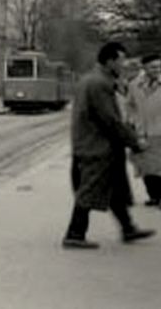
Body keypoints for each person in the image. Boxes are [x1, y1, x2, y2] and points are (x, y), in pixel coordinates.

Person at [62, 41, 154, 249]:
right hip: (97, 147)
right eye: (121, 61)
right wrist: (134, 142)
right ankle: (74, 234)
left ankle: (128, 228)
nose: (124, 66)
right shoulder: (99, 84)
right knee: (89, 190)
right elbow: (110, 120)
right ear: (110, 61)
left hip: (94, 145)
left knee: (114, 190)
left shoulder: (93, 80)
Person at [127, 53, 161, 206]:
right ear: (144, 68)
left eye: (159, 66)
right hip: (142, 131)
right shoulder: (134, 85)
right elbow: (130, 106)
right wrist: (133, 122)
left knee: (159, 166)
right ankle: (154, 196)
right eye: (153, 66)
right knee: (145, 167)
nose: (157, 69)